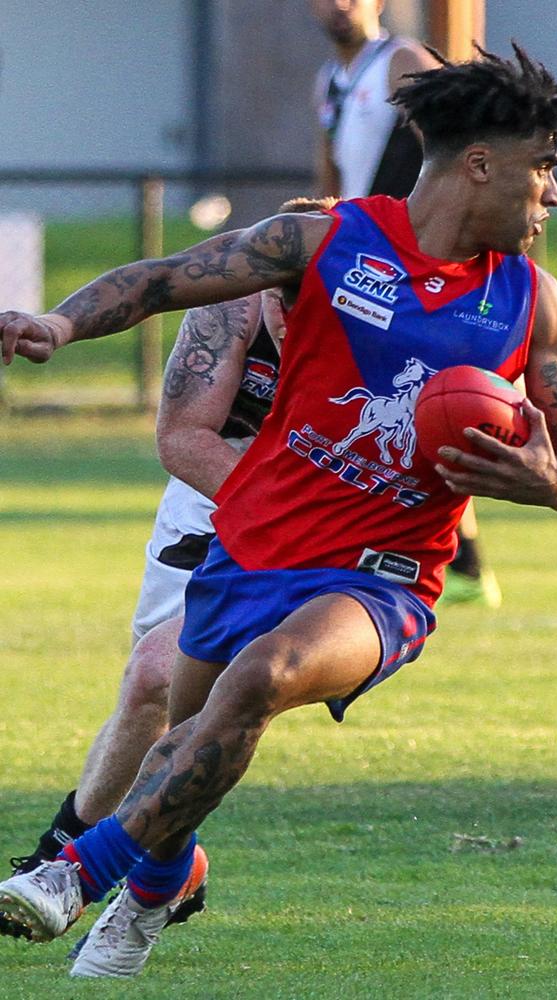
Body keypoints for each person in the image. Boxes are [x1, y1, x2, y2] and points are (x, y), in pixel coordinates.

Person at [0, 44, 557, 979]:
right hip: (254, 548)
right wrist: (61, 324)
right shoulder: (324, 242)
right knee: (184, 748)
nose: (554, 196)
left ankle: (75, 875)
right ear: (481, 164)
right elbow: (172, 275)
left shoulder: (531, 301)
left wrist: (555, 481)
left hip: (381, 582)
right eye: (544, 169)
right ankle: (159, 887)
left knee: (264, 678)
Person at [0, 197, 334, 943]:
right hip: (217, 507)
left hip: (332, 537)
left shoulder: (383, 315)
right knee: (163, 704)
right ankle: (169, 866)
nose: (297, 316)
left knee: (161, 674)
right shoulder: (233, 303)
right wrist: (291, 504)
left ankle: (60, 865)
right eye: (285, 297)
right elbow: (185, 437)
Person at [312, 0, 502, 608]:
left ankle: (439, 561)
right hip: (359, 261)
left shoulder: (400, 61)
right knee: (396, 412)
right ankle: (459, 564)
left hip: (408, 268)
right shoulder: (328, 80)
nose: (339, 3)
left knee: (427, 408)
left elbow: (450, 143)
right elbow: (332, 176)